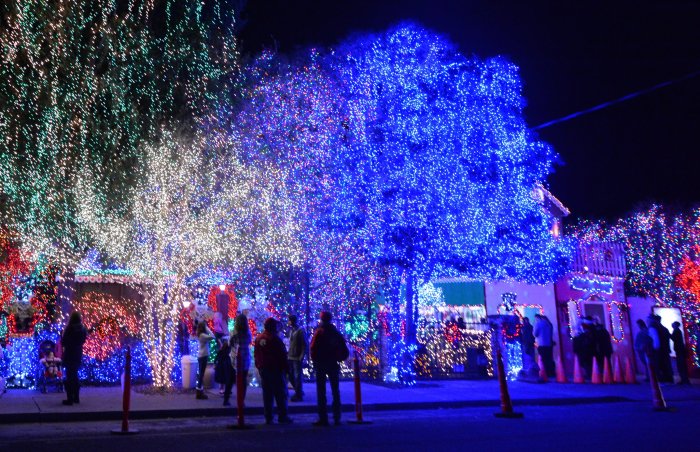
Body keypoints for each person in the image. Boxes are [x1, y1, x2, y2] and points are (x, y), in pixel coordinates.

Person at [310, 311, 348, 426]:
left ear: (321, 319)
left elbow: (313, 348)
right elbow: (344, 350)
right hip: (333, 363)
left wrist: (315, 360)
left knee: (321, 392)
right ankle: (337, 417)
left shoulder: (319, 332)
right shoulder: (335, 333)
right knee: (335, 391)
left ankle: (323, 418)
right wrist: (338, 358)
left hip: (321, 363)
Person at [254, 317, 292, 425]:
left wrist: (259, 366)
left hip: (264, 369)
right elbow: (282, 355)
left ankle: (268, 416)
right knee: (280, 394)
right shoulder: (275, 339)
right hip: (276, 370)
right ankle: (282, 415)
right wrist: (286, 369)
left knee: (267, 394)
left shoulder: (259, 338)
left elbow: (256, 355)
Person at [61, 311, 87, 405]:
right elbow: (83, 340)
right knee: (75, 375)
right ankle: (76, 397)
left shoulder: (69, 329)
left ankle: (70, 398)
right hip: (78, 353)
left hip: (70, 353)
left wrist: (62, 336)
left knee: (69, 376)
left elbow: (64, 342)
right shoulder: (83, 329)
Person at [230, 314, 252, 403]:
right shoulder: (248, 333)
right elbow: (249, 341)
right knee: (244, 380)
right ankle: (242, 399)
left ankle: (239, 399)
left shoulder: (233, 333)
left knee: (238, 379)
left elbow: (230, 344)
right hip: (246, 356)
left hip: (236, 357)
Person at [287, 314, 306, 402]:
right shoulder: (292, 330)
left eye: (289, 320)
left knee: (297, 375)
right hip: (290, 356)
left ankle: (298, 393)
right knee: (290, 375)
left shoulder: (300, 331)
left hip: (297, 357)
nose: (288, 322)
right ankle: (298, 391)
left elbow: (304, 344)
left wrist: (302, 355)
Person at [195, 321, 214, 400]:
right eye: (205, 326)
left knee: (201, 374)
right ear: (204, 328)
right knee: (201, 374)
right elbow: (213, 336)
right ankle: (199, 393)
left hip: (201, 356)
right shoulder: (202, 335)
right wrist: (207, 328)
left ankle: (200, 391)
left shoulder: (200, 334)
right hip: (203, 356)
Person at [215, 336, 235, 406]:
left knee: (224, 381)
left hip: (222, 369)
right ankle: (225, 393)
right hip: (225, 369)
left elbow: (216, 359)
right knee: (226, 381)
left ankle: (223, 391)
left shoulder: (221, 352)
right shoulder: (227, 356)